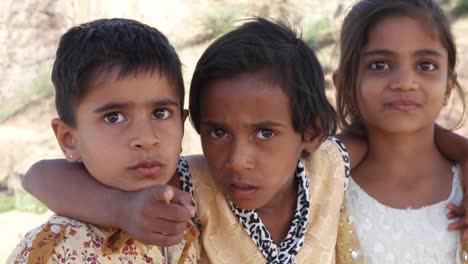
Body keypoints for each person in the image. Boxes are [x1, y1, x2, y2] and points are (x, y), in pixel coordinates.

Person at [21, 18, 363, 263]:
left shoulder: (328, 164)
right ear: (195, 127)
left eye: (265, 132)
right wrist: (121, 209)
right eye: (217, 132)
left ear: (312, 132)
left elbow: (383, 139)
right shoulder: (194, 185)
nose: (237, 159)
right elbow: (40, 176)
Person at [7, 18, 201, 264]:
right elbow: (36, 175)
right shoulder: (55, 250)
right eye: (114, 117)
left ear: (182, 127)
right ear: (69, 140)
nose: (146, 138)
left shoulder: (192, 213)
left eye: (160, 113)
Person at [332, 0, 468, 263]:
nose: (405, 83)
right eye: (379, 65)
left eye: (425, 65)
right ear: (345, 83)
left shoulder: (462, 186)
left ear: (448, 87)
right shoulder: (321, 188)